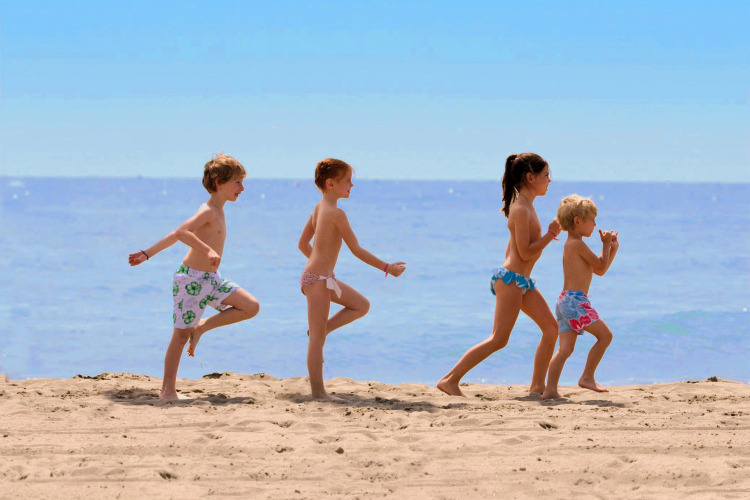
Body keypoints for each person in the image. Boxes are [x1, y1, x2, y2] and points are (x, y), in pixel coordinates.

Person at [128, 153, 260, 400]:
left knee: (250, 306)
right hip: (191, 281)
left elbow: (176, 234)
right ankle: (167, 391)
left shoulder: (219, 209)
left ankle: (201, 327)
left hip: (212, 280)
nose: (242, 188)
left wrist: (147, 253)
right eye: (238, 182)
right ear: (219, 183)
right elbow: (181, 232)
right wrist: (207, 249)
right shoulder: (208, 210)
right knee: (179, 337)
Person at [437, 153, 562, 397]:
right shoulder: (520, 209)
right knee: (499, 339)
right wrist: (550, 234)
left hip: (522, 282)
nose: (549, 180)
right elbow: (525, 253)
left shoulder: (528, 206)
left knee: (551, 329)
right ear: (530, 177)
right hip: (510, 280)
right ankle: (449, 380)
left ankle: (538, 386)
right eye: (546, 175)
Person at [298, 158, 406, 401]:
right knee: (316, 340)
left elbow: (302, 244)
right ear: (331, 183)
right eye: (347, 181)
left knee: (361, 305)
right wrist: (387, 267)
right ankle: (318, 393)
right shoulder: (337, 213)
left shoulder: (319, 207)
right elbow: (356, 250)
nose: (352, 185)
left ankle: (322, 330)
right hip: (317, 280)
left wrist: (321, 264)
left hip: (320, 277)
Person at [542, 194, 619, 400]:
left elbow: (599, 271)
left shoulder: (572, 245)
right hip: (576, 302)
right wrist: (605, 245)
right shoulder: (577, 244)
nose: (595, 224)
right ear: (578, 221)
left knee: (565, 349)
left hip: (565, 301)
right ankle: (587, 377)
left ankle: (550, 390)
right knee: (606, 336)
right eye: (592, 220)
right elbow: (601, 267)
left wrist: (612, 250)